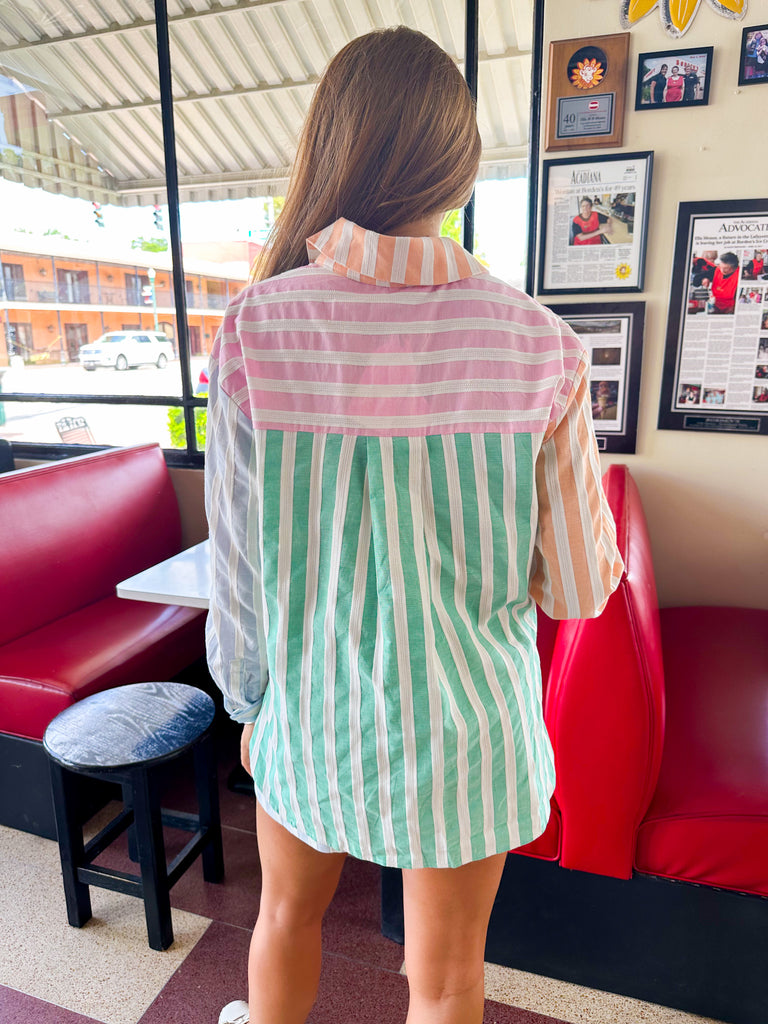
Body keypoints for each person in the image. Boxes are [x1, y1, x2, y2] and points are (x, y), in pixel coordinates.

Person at [205, 26, 623, 1024]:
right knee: (444, 981)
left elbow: (239, 568)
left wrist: (250, 705)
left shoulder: (259, 327)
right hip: (470, 733)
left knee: (283, 920)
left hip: (312, 713)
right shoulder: (543, 344)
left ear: (329, 146)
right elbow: (576, 589)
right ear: (459, 167)